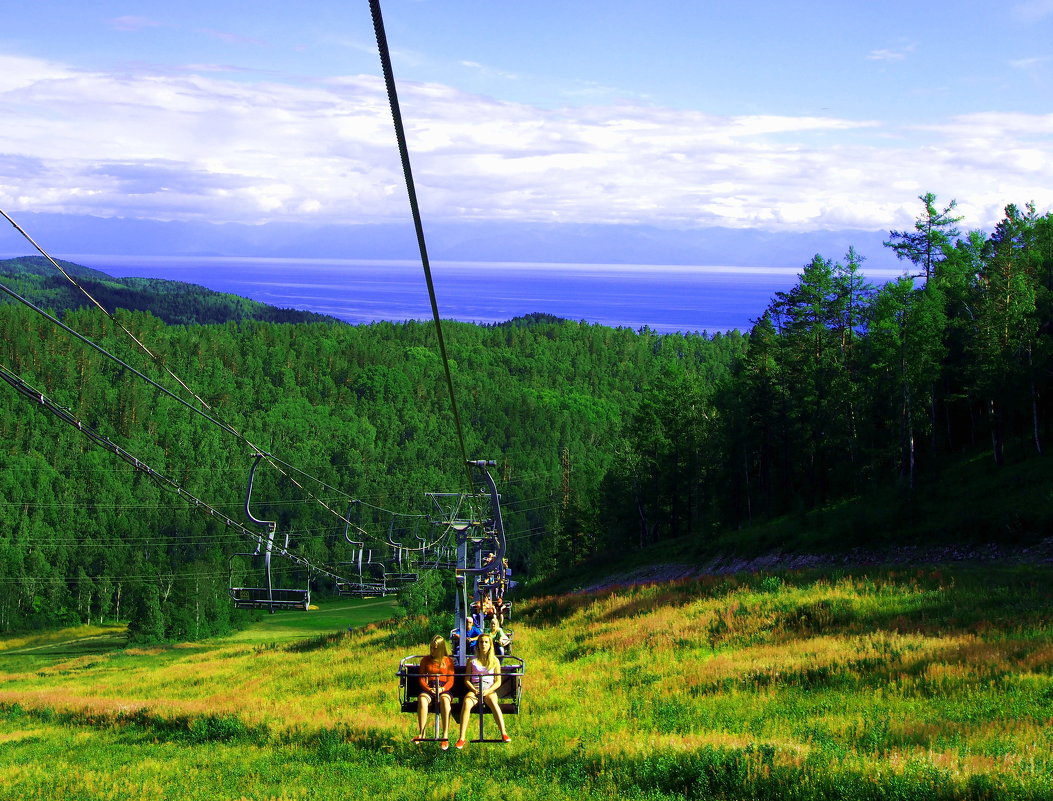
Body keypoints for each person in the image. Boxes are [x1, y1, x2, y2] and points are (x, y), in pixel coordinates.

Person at [454, 633, 510, 748]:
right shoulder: (472, 660)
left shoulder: (494, 661)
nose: (483, 644)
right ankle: (461, 738)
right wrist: (474, 690)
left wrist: (488, 691)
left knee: (493, 703)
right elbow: (467, 680)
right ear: (478, 645)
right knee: (467, 702)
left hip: (488, 689)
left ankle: (503, 733)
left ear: (490, 645)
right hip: (475, 688)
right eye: (481, 642)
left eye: (486, 642)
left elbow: (498, 681)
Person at [415, 634, 455, 749]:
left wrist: (442, 689)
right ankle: (422, 732)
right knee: (422, 699)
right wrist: (429, 689)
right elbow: (422, 678)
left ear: (441, 648)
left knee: (445, 701)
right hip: (430, 687)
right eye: (431, 648)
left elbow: (451, 680)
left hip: (443, 688)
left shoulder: (448, 661)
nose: (432, 651)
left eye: (435, 648)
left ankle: (445, 735)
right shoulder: (425, 660)